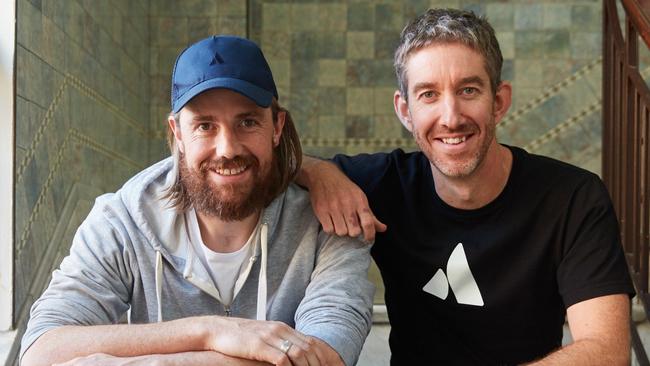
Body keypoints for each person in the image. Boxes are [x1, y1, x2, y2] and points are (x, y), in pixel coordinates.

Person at [297, 8, 635, 366]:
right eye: (428, 94)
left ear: (499, 101)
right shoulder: (384, 183)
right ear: (405, 111)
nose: (451, 117)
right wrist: (318, 172)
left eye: (468, 90)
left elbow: (607, 352)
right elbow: (268, 161)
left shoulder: (573, 199)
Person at [20, 35, 374, 366]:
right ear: (178, 133)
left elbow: (327, 356)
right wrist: (209, 332)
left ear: (277, 127)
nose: (228, 149)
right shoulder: (122, 220)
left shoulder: (330, 221)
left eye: (248, 122)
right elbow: (40, 350)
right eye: (205, 125)